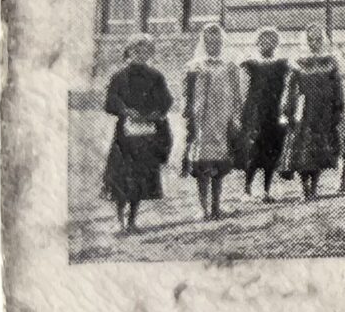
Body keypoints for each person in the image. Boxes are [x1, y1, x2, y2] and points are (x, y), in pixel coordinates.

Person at [100, 36, 172, 234]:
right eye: (136, 50)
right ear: (129, 52)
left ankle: (132, 220)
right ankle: (120, 221)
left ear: (150, 53)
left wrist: (155, 113)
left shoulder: (156, 77)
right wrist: (125, 110)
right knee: (121, 177)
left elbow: (165, 100)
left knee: (140, 177)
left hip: (146, 135)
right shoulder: (119, 76)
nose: (140, 54)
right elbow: (110, 102)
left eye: (145, 50)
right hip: (125, 136)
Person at [179, 23, 244, 221]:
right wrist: (188, 113)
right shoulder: (194, 66)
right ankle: (203, 207)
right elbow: (186, 93)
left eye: (217, 42)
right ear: (203, 43)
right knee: (203, 164)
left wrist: (235, 116)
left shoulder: (230, 66)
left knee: (219, 164)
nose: (213, 46)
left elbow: (237, 95)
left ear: (222, 43)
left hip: (222, 119)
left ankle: (216, 206)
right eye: (209, 42)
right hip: (201, 120)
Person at [280, 27, 345, 200]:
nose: (314, 43)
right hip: (305, 110)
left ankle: (315, 187)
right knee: (304, 149)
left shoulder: (329, 62)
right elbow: (290, 87)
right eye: (311, 39)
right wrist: (287, 109)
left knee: (319, 150)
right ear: (306, 41)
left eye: (318, 39)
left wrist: (338, 107)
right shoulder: (298, 62)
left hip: (324, 111)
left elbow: (338, 86)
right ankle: (305, 188)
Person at [236, 27, 290, 199]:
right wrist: (242, 112)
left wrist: (285, 109)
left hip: (273, 112)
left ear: (276, 43)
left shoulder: (282, 65)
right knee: (253, 150)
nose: (267, 44)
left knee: (271, 151)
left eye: (271, 40)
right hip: (255, 112)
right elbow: (243, 89)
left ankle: (266, 190)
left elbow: (288, 87)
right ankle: (247, 189)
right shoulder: (250, 64)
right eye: (263, 40)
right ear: (257, 43)